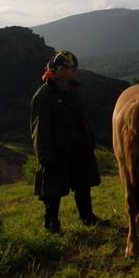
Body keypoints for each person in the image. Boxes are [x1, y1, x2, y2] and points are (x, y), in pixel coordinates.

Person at [30, 50, 101, 232]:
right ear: (60, 70)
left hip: (78, 148)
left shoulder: (71, 89)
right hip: (57, 150)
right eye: (72, 69)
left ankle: (87, 217)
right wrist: (45, 156)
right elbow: (40, 128)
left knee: (83, 184)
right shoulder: (44, 95)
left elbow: (82, 118)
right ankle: (52, 224)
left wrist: (89, 140)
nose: (74, 73)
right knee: (52, 192)